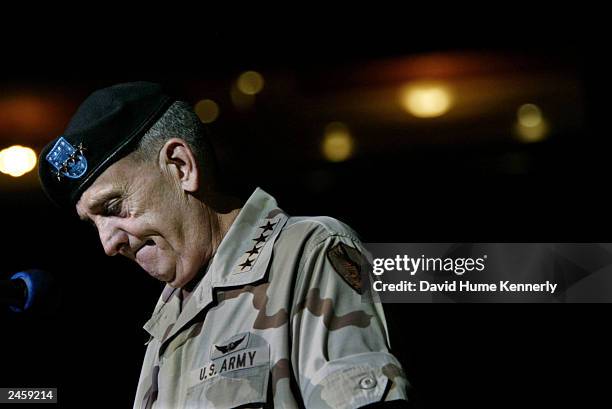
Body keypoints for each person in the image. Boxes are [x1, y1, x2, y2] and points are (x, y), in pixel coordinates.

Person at [38, 82, 410, 408]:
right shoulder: (167, 318)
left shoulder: (305, 253)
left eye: (115, 207)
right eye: (95, 224)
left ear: (181, 167)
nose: (108, 243)